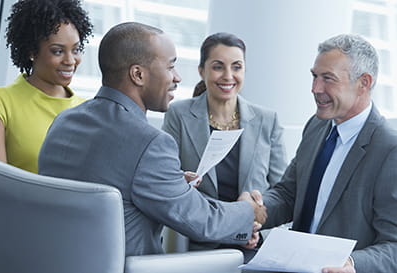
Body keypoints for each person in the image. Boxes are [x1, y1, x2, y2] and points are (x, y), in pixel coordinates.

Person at [38, 22, 267, 258]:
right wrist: (249, 212)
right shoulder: (150, 143)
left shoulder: (63, 121)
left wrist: (171, 181)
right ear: (138, 75)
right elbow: (202, 221)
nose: (177, 77)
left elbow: (107, 173)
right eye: (171, 67)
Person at [259, 34, 397, 273]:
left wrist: (352, 264)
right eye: (314, 76)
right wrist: (257, 210)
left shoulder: (389, 149)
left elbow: (393, 245)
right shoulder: (316, 126)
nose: (315, 89)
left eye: (328, 79)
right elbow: (289, 194)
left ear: (363, 83)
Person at [162, 32, 287, 261]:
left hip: (251, 245)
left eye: (237, 67)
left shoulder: (267, 120)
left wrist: (258, 231)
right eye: (218, 67)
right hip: (199, 244)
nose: (228, 76)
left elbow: (282, 192)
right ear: (202, 70)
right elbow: (166, 178)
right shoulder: (178, 115)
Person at [0, 0, 93, 173]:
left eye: (75, 50)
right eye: (58, 51)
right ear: (32, 51)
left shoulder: (88, 109)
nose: (70, 61)